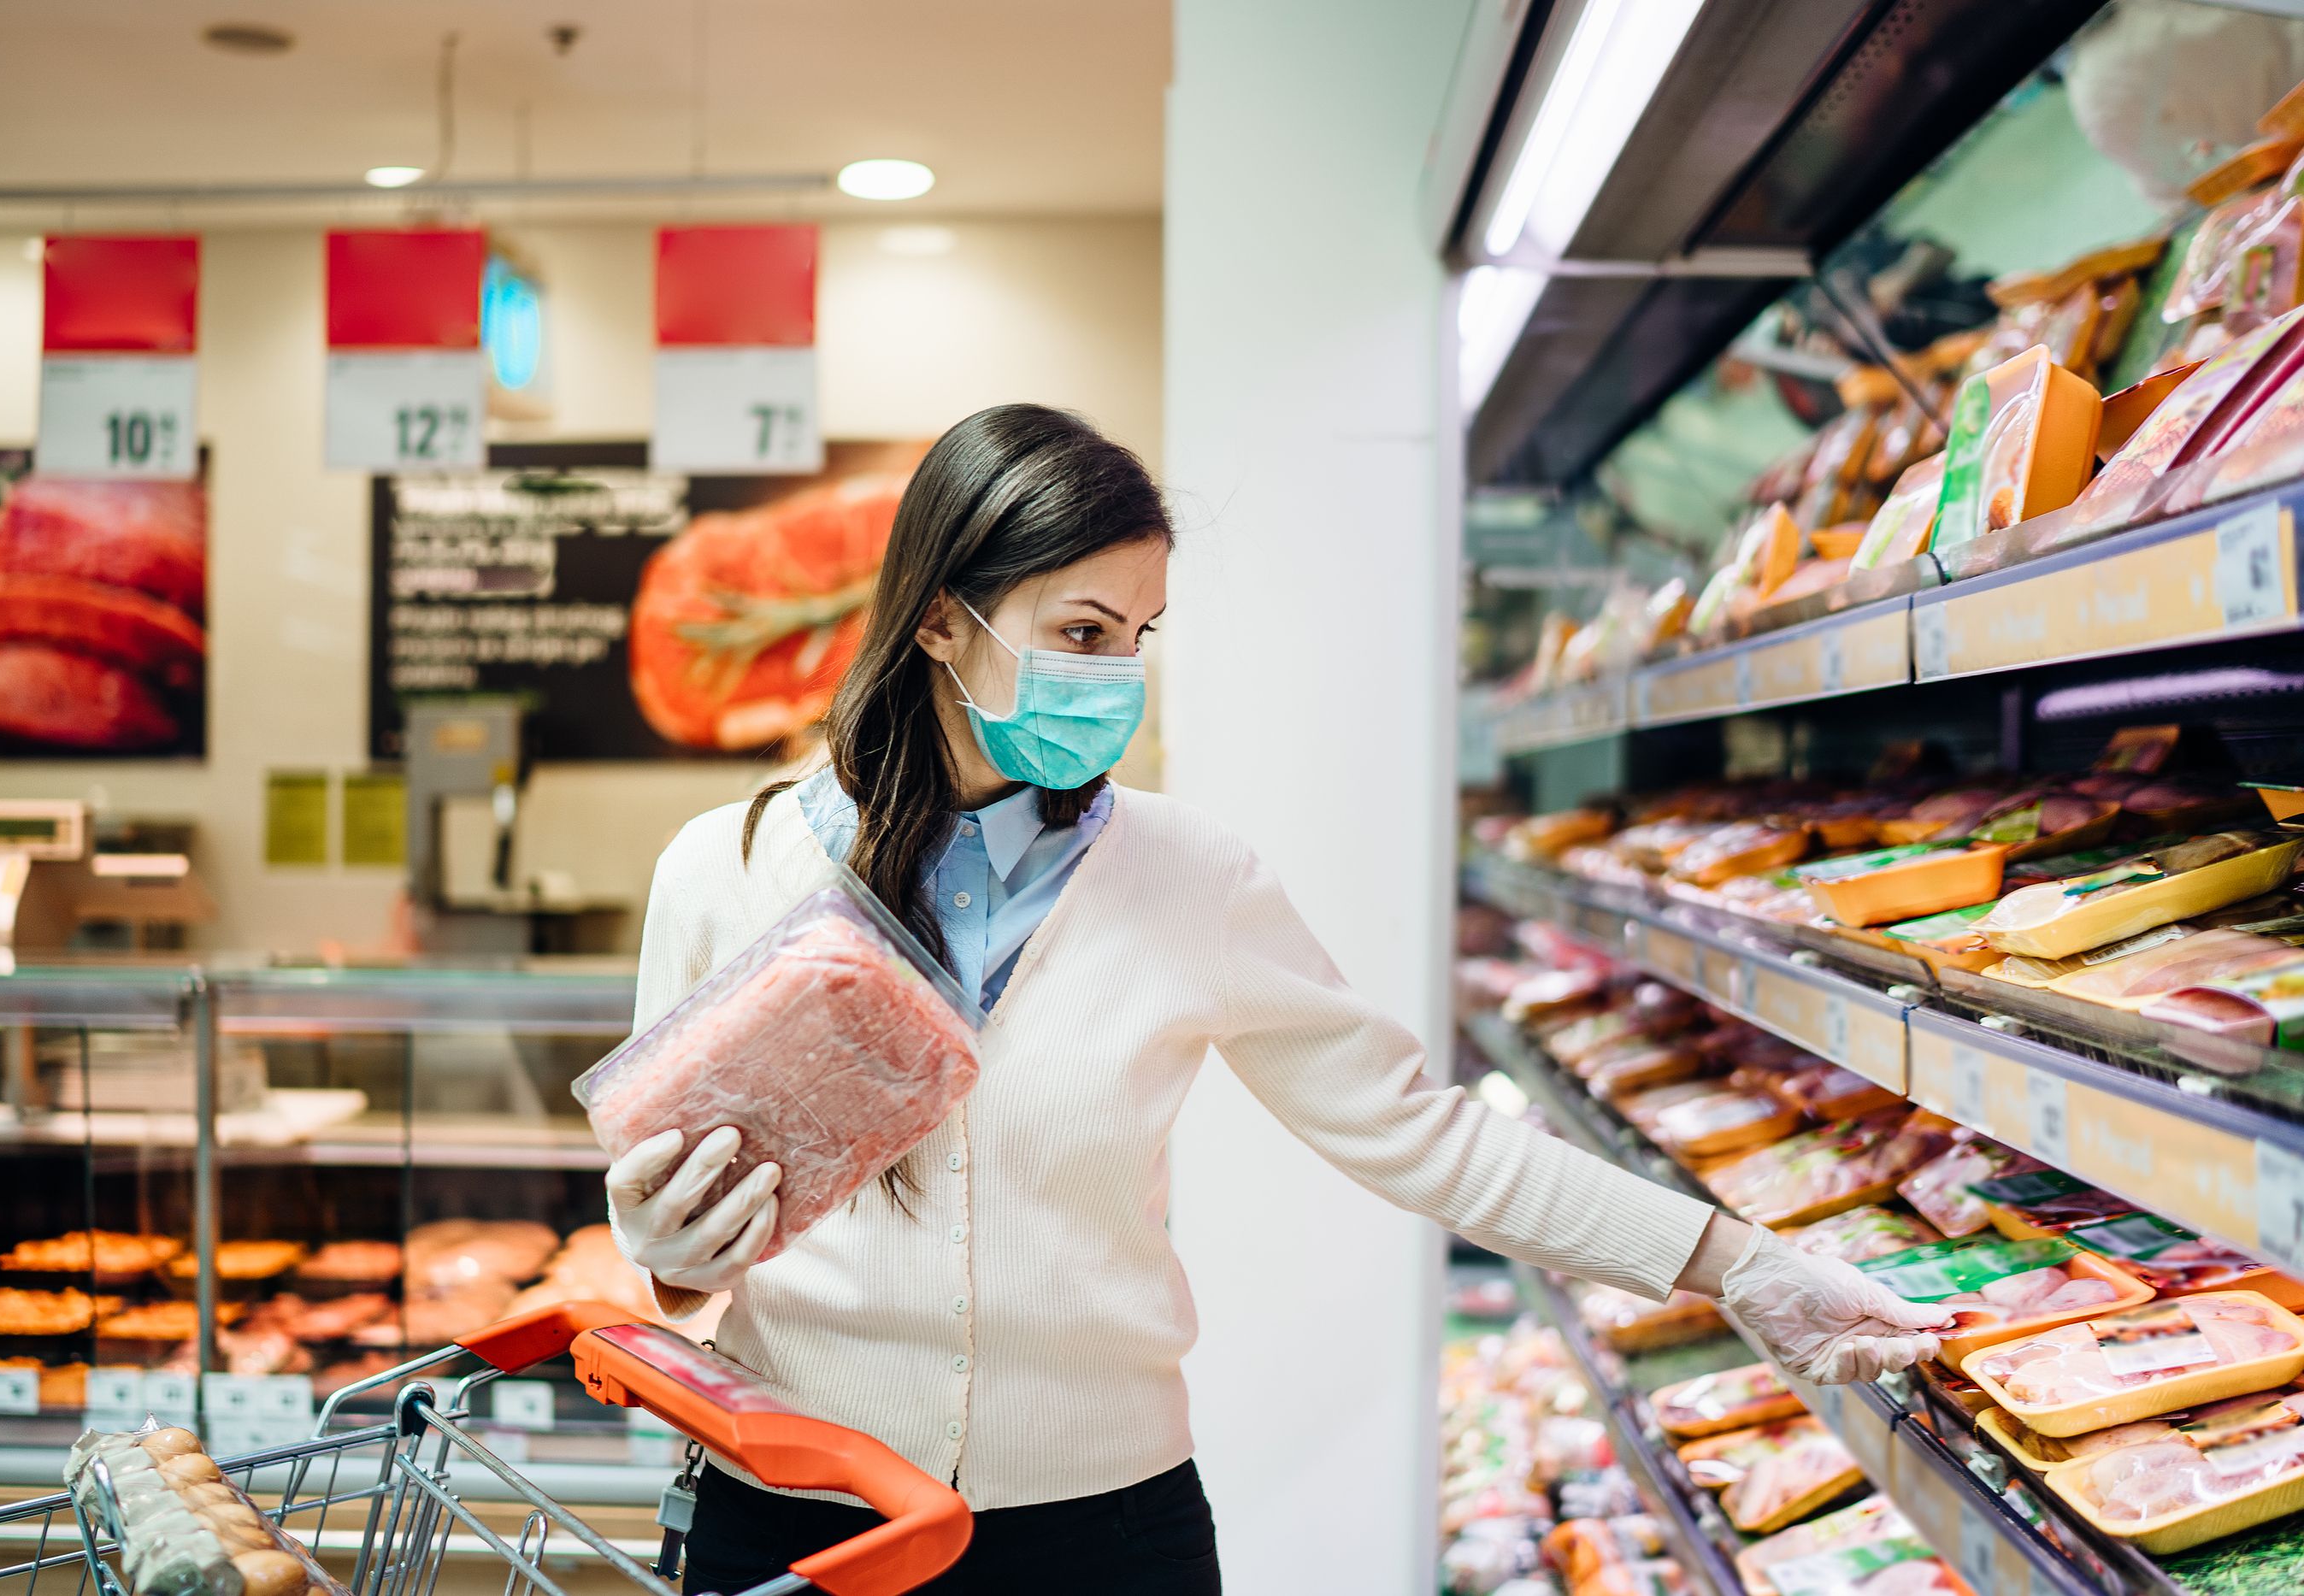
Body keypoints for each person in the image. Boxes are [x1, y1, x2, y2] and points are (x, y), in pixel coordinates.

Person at [603, 404, 1947, 1595]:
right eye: (1080, 631)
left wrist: (1739, 1265)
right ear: (942, 621)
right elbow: (676, 1232)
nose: (1115, 675)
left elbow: (1423, 1131)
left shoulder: (1188, 877)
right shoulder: (729, 871)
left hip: (1105, 1535)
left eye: (1137, 636)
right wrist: (662, 1238)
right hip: (800, 1522)